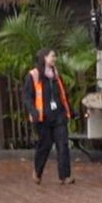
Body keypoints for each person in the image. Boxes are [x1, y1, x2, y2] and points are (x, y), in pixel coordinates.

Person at [26, 48, 74, 185]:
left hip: (58, 115)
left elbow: (62, 94)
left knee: (63, 144)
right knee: (44, 145)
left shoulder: (56, 75)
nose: (54, 59)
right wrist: (33, 110)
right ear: (44, 58)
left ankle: (65, 176)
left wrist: (68, 110)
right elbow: (27, 97)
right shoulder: (33, 75)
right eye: (52, 56)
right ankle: (37, 170)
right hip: (43, 117)